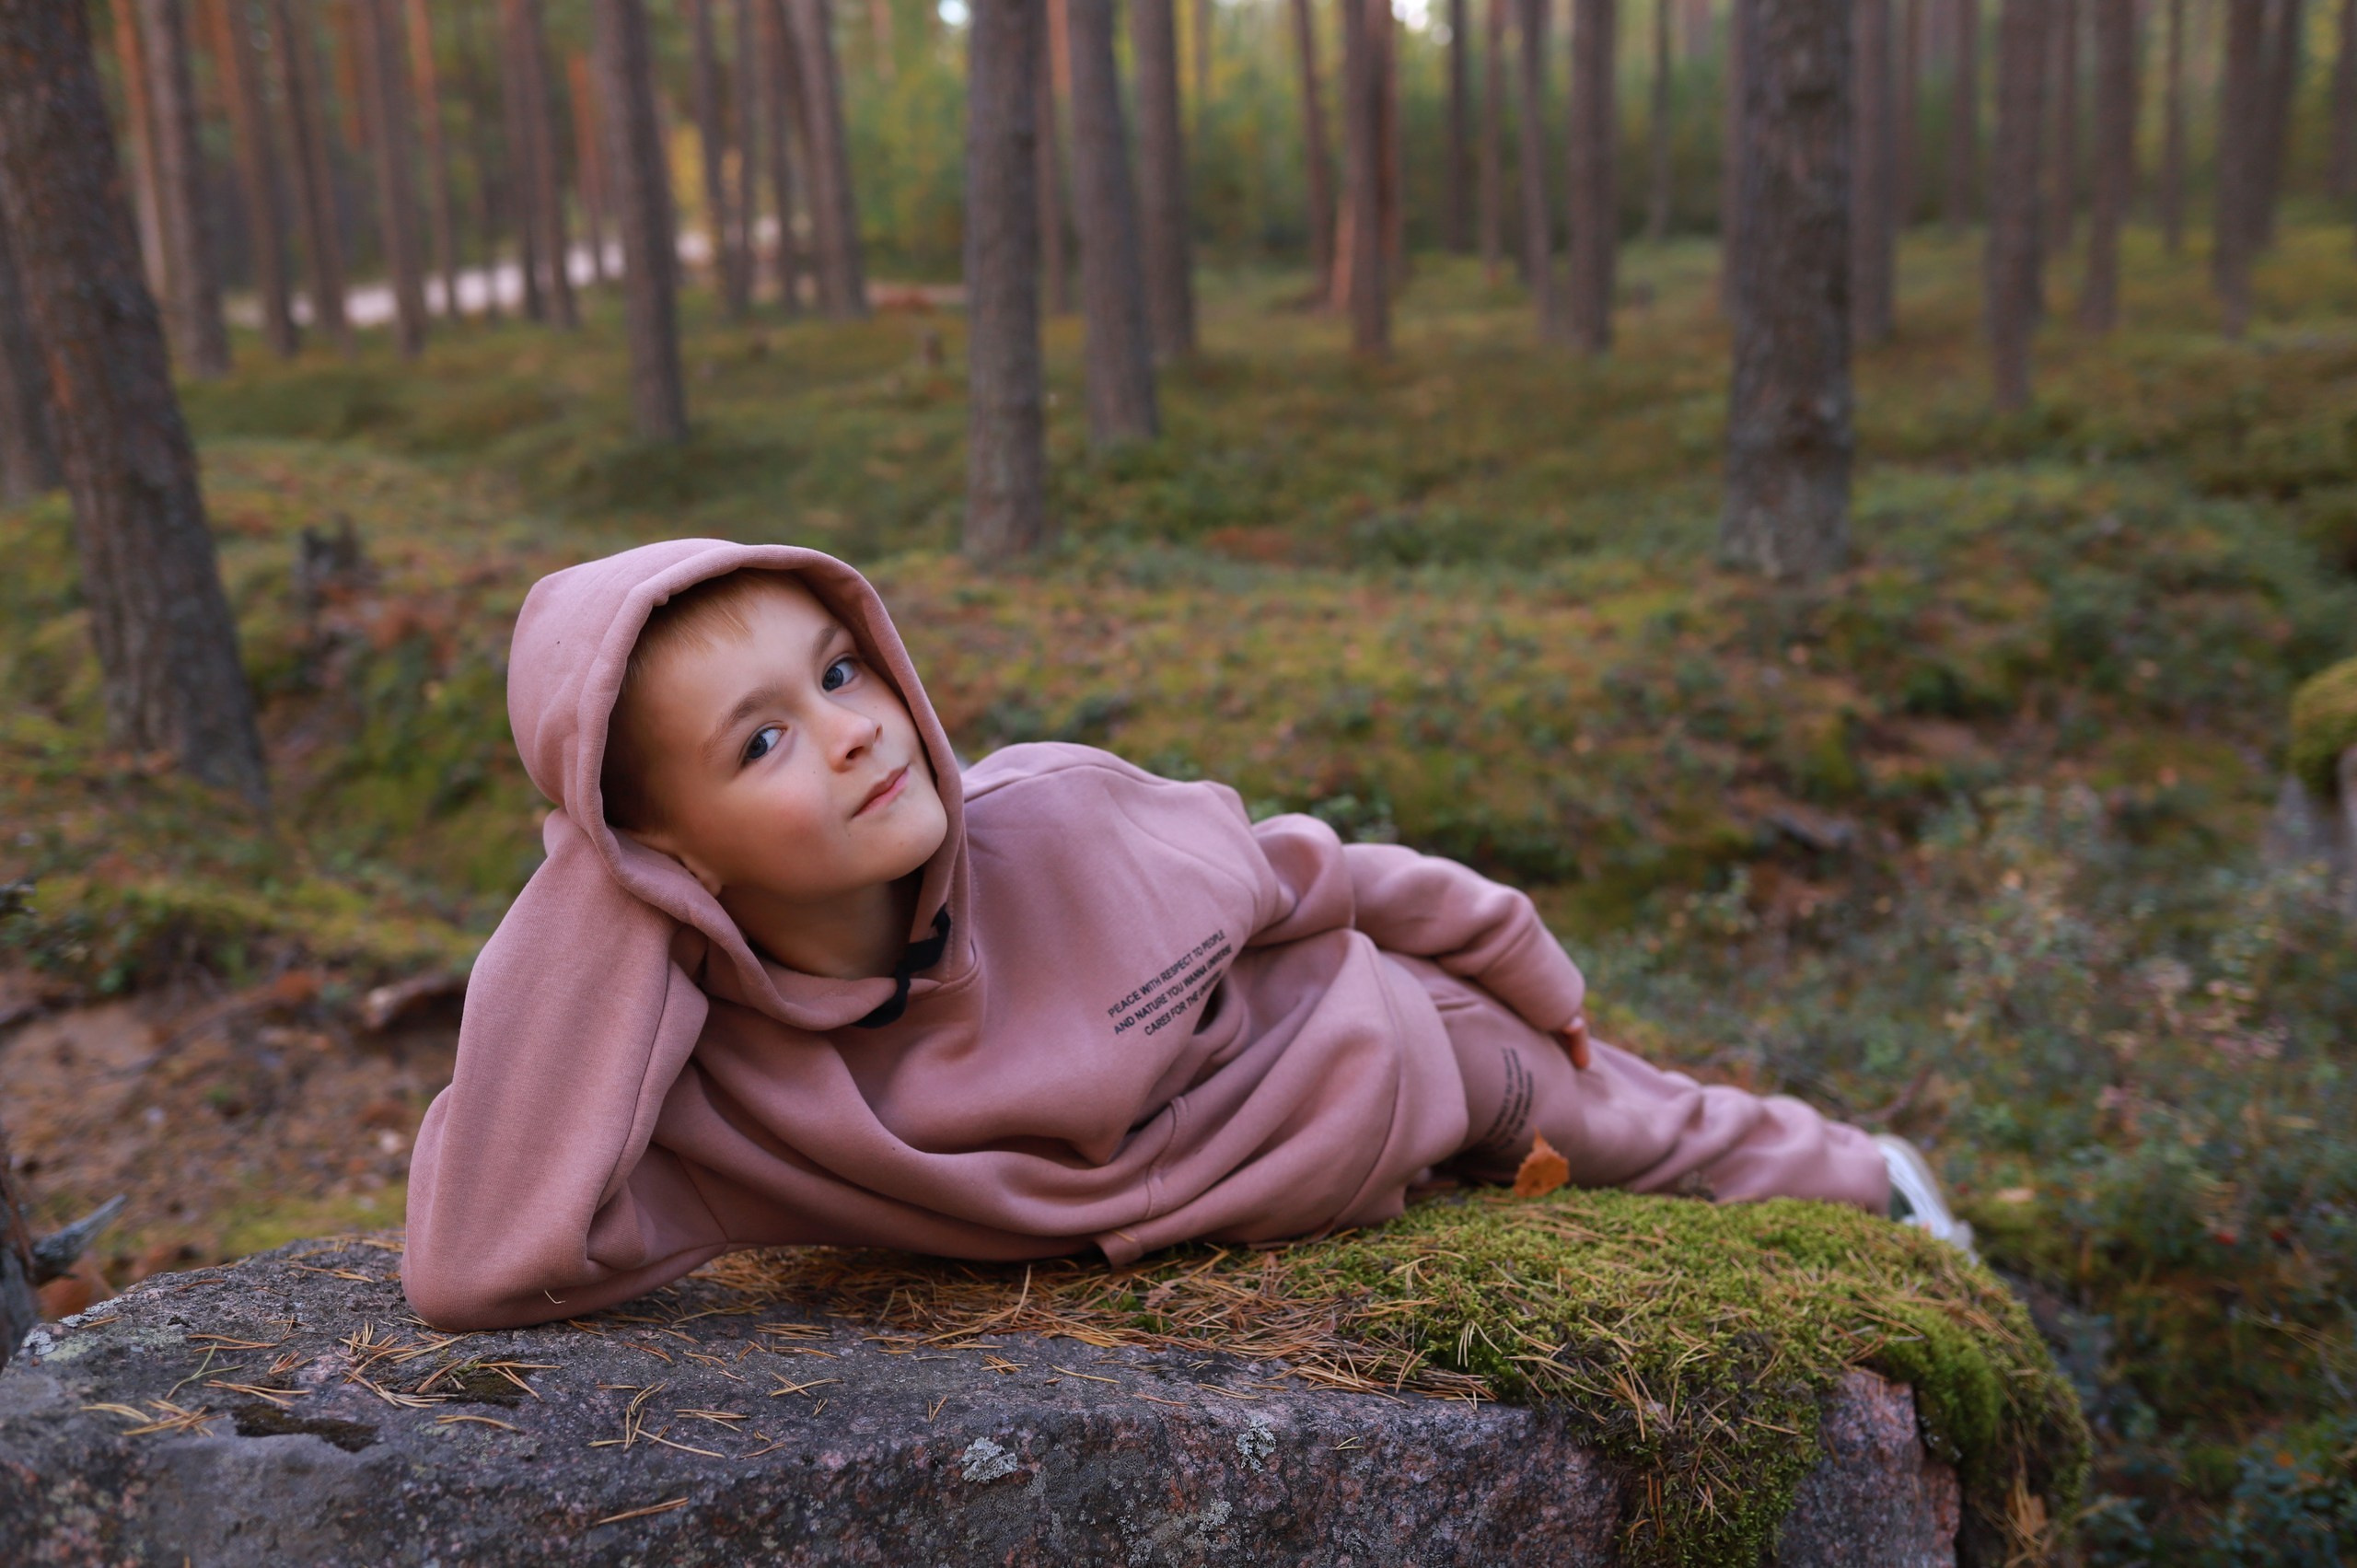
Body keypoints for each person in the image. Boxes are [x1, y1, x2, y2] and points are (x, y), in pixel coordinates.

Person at [401, 540, 1965, 1332]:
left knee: (1638, 1126)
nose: (854, 735)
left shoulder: (1066, 819)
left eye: (839, 673)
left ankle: (1881, 1179)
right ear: (653, 850)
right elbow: (479, 1259)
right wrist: (608, 902)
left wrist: (1535, 976)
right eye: (756, 745)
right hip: (1261, 1189)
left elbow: (1330, 879)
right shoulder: (727, 1106)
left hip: (1377, 1059)